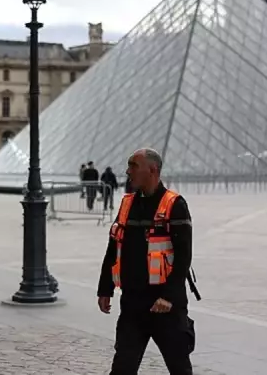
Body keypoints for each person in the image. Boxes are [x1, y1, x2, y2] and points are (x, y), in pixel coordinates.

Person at [97, 148, 200, 375]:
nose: (127, 171)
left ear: (152, 170)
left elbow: (183, 257)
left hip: (165, 306)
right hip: (133, 303)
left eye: (133, 165)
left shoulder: (175, 204)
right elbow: (114, 247)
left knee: (179, 367)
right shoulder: (127, 204)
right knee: (122, 367)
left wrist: (168, 297)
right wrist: (105, 288)